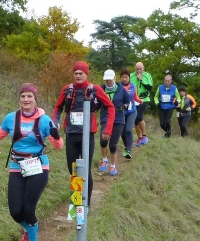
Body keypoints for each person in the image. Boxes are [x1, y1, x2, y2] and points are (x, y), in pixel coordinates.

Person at [0, 83, 63, 241]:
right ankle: (28, 229)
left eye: (29, 96)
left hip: (38, 166)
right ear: (19, 99)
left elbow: (58, 146)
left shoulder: (44, 120)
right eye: (23, 96)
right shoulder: (11, 118)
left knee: (28, 209)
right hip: (17, 165)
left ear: (35, 99)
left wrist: (56, 136)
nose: (26, 100)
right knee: (15, 211)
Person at [53, 61, 115, 207]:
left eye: (81, 73)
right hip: (71, 134)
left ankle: (86, 205)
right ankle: (77, 202)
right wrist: (54, 121)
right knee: (73, 169)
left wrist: (108, 129)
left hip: (87, 135)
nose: (78, 76)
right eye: (76, 73)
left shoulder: (94, 89)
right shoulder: (67, 89)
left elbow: (110, 106)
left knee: (85, 169)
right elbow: (58, 107)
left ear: (86, 74)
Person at [98, 69, 130, 176]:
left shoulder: (121, 89)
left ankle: (113, 166)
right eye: (106, 80)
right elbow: (97, 102)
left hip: (118, 119)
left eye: (110, 80)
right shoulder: (101, 89)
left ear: (114, 78)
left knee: (113, 144)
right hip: (105, 118)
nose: (108, 82)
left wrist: (124, 106)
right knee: (103, 141)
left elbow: (127, 102)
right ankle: (104, 160)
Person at [119, 68, 143, 159]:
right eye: (123, 77)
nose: (124, 79)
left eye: (126, 77)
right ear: (120, 78)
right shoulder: (118, 87)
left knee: (128, 130)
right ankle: (127, 146)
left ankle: (129, 150)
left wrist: (139, 100)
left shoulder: (133, 86)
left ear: (129, 78)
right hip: (121, 112)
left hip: (132, 111)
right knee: (122, 132)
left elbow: (135, 96)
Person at [129, 62, 153, 146]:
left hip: (144, 99)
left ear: (143, 68)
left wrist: (141, 79)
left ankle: (144, 136)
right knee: (135, 119)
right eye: (137, 69)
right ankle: (139, 138)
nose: (139, 71)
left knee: (139, 116)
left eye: (140, 69)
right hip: (134, 99)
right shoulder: (131, 75)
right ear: (135, 68)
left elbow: (150, 87)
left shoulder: (147, 75)